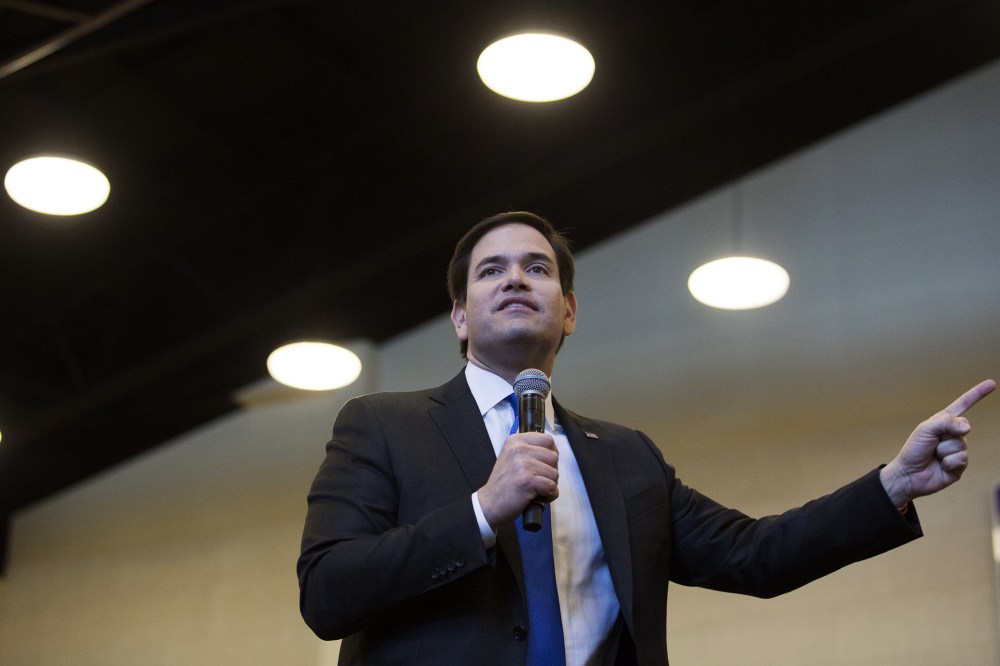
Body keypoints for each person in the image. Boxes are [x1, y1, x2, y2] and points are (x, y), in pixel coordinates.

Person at [297, 211, 995, 665]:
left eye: (538, 268)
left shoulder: (626, 458)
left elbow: (755, 555)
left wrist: (893, 487)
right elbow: (328, 592)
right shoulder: (382, 425)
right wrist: (481, 512)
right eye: (492, 270)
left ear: (568, 312)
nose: (516, 277)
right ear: (459, 317)